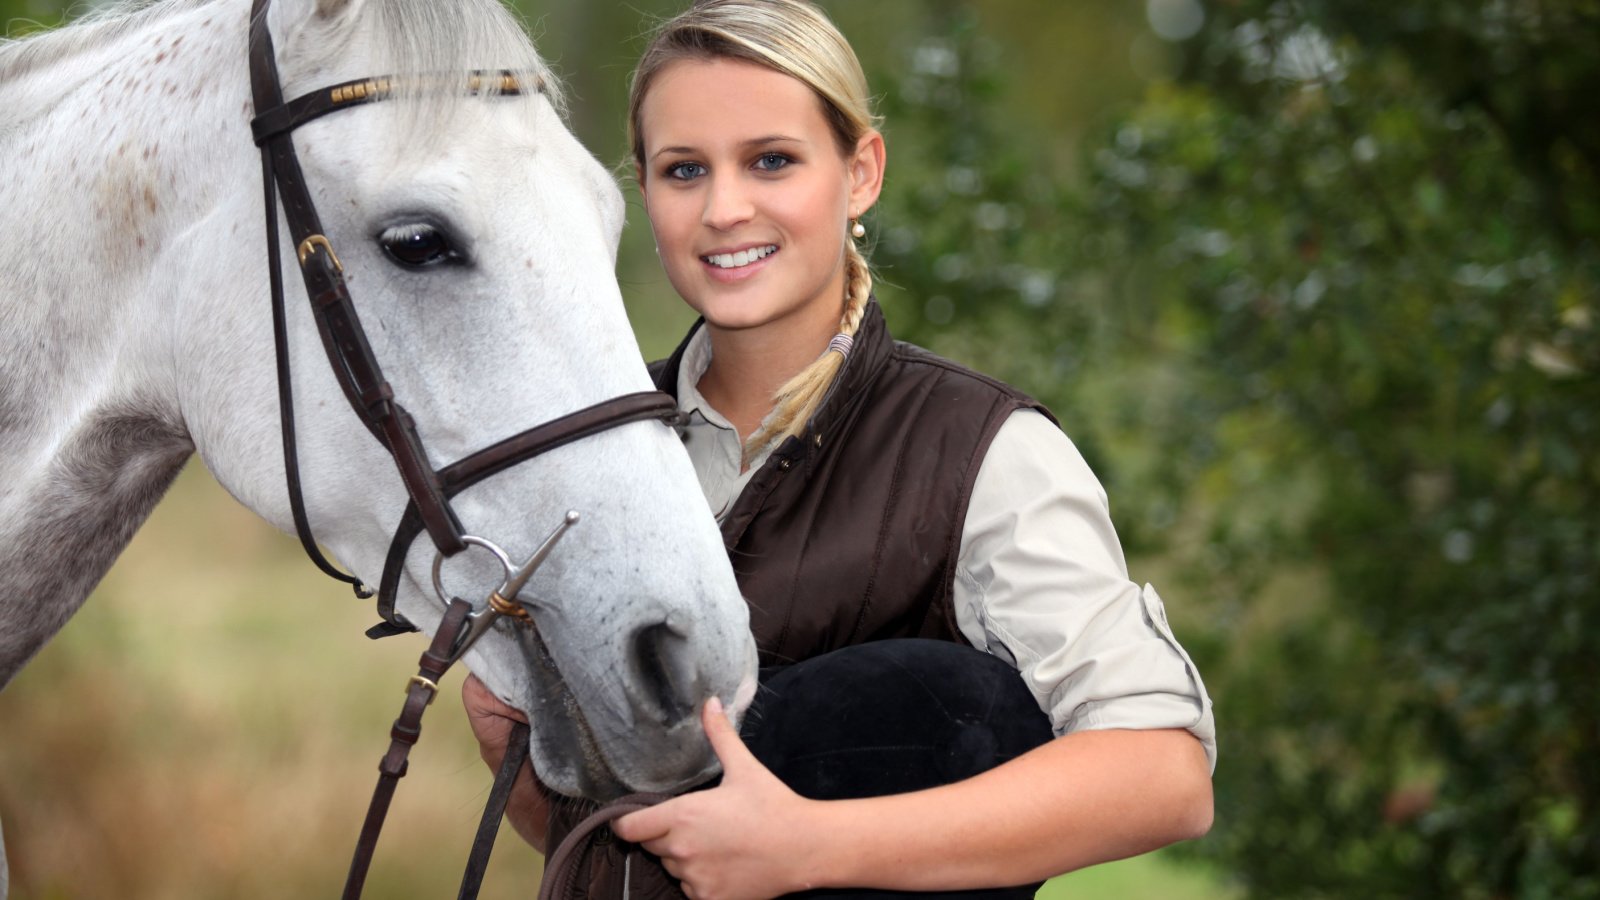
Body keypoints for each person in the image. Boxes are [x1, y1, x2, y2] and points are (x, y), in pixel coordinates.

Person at [463, 1, 1216, 897]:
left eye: (771, 160)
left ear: (860, 172)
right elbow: (621, 851)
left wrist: (813, 846)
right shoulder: (592, 455)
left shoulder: (982, 452)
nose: (724, 208)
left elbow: (1163, 777)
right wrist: (519, 758)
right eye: (683, 170)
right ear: (643, 190)